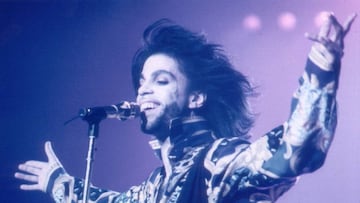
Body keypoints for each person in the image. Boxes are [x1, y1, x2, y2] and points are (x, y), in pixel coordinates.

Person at [15, 13, 356, 203]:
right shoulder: (155, 186)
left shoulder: (217, 161)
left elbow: (297, 151)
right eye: (142, 82)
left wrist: (322, 66)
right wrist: (58, 182)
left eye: (161, 80)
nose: (143, 89)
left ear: (196, 98)